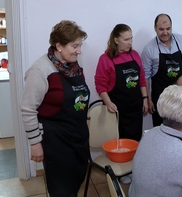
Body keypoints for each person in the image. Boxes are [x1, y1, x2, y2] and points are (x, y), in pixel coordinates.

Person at [21, 20, 89, 197]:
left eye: (80, 45)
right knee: (61, 189)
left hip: (78, 138)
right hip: (56, 142)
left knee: (76, 181)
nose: (79, 50)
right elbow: (28, 110)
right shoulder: (40, 70)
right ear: (59, 46)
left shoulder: (73, 66)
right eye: (75, 46)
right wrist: (35, 144)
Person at [94, 24, 148, 142]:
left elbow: (142, 79)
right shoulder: (105, 59)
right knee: (119, 144)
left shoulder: (135, 55)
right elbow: (100, 85)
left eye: (131, 39)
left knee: (135, 142)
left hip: (135, 109)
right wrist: (108, 103)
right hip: (117, 111)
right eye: (126, 39)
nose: (130, 42)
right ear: (116, 40)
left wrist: (145, 98)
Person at [141, 13, 182, 127]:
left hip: (180, 97)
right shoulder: (149, 49)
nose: (165, 33)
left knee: (180, 128)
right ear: (155, 29)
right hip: (160, 99)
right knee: (161, 130)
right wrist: (148, 99)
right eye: (161, 29)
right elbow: (145, 77)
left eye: (168, 29)